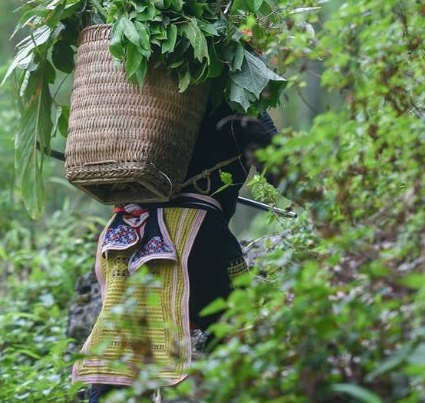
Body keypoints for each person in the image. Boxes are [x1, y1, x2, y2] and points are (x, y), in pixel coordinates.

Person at [71, 102, 277, 402]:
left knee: (120, 353)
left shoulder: (139, 94)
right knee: (238, 333)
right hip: (198, 238)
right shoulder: (235, 92)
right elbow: (281, 164)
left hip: (124, 239)